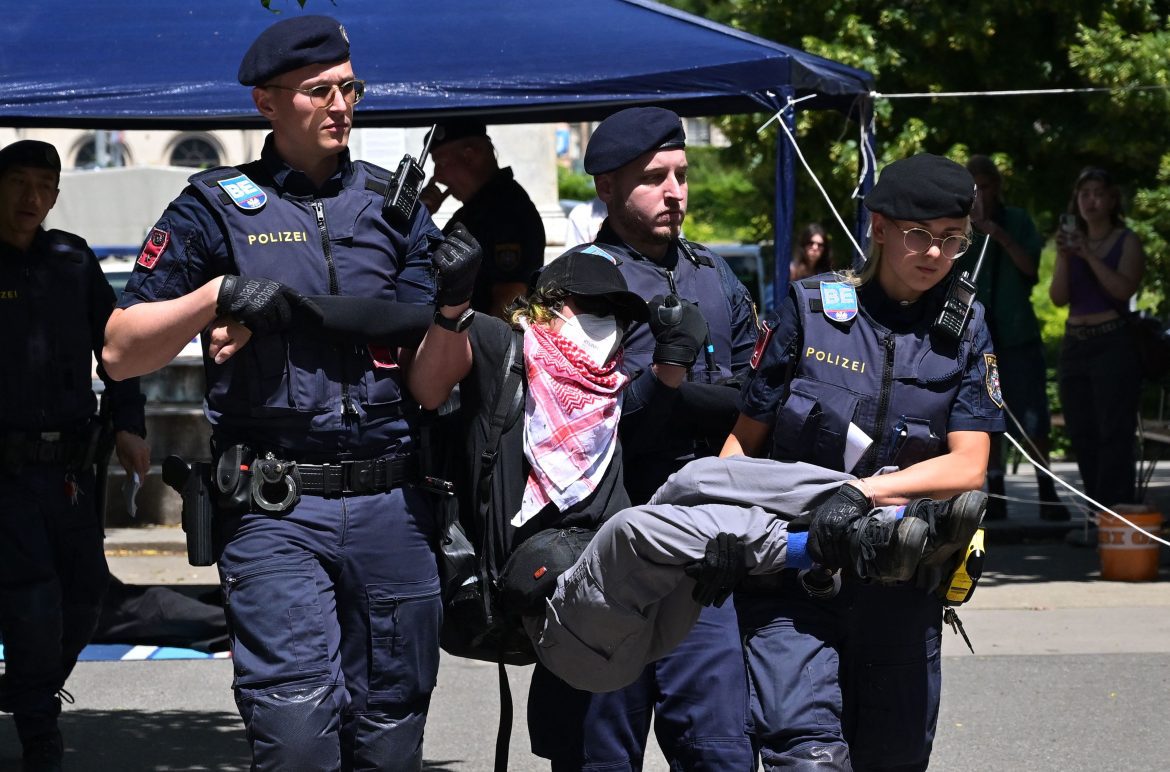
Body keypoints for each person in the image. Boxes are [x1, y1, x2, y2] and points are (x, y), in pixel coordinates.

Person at [102, 16, 474, 770]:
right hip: (277, 508)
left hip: (391, 505)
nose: (342, 105)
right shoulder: (213, 206)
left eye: (350, 88)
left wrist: (453, 312)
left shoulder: (392, 208)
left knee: (391, 732)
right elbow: (118, 351)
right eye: (319, 91)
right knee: (297, 735)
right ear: (268, 103)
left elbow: (431, 383)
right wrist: (218, 295)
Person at [721, 153, 1002, 770]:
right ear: (878, 227)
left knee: (893, 757)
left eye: (953, 239)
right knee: (805, 756)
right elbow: (743, 444)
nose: (935, 253)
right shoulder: (811, 309)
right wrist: (721, 529)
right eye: (920, 236)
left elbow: (969, 465)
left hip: (900, 584)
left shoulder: (966, 329)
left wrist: (867, 493)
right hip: (794, 576)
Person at [526, 106, 760, 771]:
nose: (676, 192)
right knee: (600, 754)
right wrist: (666, 387)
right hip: (606, 554)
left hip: (705, 548)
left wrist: (672, 395)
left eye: (682, 175)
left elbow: (755, 407)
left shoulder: (716, 279)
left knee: (720, 752)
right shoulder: (570, 284)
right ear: (605, 185)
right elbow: (566, 431)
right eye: (654, 177)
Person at [0, 139, 150, 772]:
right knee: (32, 603)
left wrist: (130, 424)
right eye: (20, 183)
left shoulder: (73, 259)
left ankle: (25, 692)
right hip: (3, 472)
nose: (33, 198)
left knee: (86, 599)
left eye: (46, 186)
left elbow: (117, 350)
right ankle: (40, 739)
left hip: (70, 469)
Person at [962, 155, 1067, 520]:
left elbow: (1031, 269)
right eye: (974, 188)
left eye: (986, 186)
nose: (981, 195)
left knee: (1033, 414)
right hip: (976, 338)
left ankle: (1047, 489)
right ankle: (998, 494)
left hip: (1017, 333)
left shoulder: (1018, 221)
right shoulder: (958, 227)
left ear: (997, 187)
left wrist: (997, 233)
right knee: (987, 415)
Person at [1049, 166, 1144, 511]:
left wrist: (1088, 253)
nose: (1090, 200)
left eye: (1098, 193)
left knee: (1114, 432)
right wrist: (1064, 256)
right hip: (1075, 342)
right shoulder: (1069, 244)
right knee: (1081, 431)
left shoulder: (1126, 240)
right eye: (1084, 193)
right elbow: (1058, 298)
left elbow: (1123, 288)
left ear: (1112, 198)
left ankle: (1118, 513)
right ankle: (1096, 512)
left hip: (1112, 341)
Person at [420, 119, 547, 319]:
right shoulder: (475, 210)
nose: (437, 177)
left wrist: (480, 349)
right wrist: (422, 215)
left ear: (470, 156)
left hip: (476, 344)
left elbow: (509, 300)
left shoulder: (507, 211)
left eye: (441, 163)